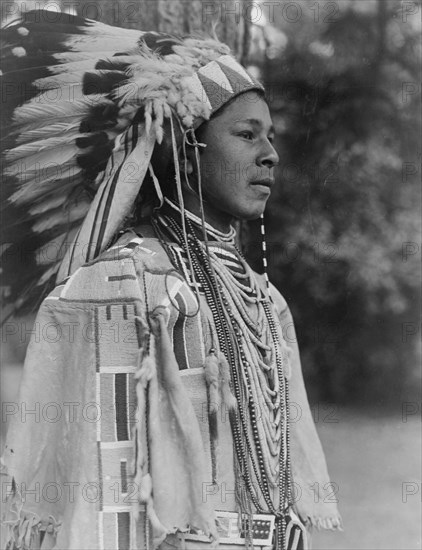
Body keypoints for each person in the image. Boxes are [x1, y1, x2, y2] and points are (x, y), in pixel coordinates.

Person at [1, 10, 341, 550]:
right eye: (247, 135)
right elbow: (99, 485)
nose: (270, 155)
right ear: (186, 152)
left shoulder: (264, 297)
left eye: (270, 137)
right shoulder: (124, 284)